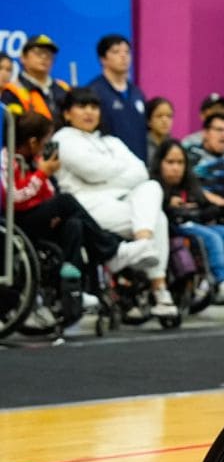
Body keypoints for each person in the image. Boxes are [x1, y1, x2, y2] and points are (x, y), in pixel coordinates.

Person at [51, 87, 178, 318]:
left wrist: (107, 177)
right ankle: (159, 289)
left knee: (152, 187)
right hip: (87, 207)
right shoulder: (63, 139)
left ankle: (142, 246)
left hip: (121, 203)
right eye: (82, 107)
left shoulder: (111, 141)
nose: (89, 112)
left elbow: (140, 172)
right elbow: (92, 171)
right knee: (158, 218)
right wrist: (118, 174)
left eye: (94, 107)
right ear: (67, 114)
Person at [3, 112, 157, 280]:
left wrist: (44, 178)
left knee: (74, 223)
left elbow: (48, 193)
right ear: (33, 142)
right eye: (46, 141)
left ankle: (76, 288)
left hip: (38, 216)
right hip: (15, 220)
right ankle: (112, 252)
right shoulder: (6, 159)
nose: (48, 145)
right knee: (66, 201)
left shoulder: (34, 161)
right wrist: (42, 173)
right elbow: (13, 198)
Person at [151, 139, 224, 302]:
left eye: (180, 163)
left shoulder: (190, 183)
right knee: (211, 237)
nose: (176, 168)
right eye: (170, 162)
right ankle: (223, 280)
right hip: (176, 226)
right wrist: (169, 204)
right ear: (160, 163)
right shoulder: (153, 186)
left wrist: (195, 208)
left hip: (197, 223)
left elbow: (208, 208)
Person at [87, 34, 148, 160]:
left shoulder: (137, 93)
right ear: (103, 59)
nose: (123, 56)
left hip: (139, 164)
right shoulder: (94, 91)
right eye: (116, 52)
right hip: (108, 164)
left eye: (127, 52)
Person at [2, 34, 70, 123]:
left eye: (49, 54)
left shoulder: (63, 88)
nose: (44, 57)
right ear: (23, 58)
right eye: (38, 53)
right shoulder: (13, 90)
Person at [144, 97, 176, 165]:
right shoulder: (141, 146)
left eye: (169, 116)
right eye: (159, 116)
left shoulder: (175, 146)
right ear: (148, 121)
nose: (165, 120)